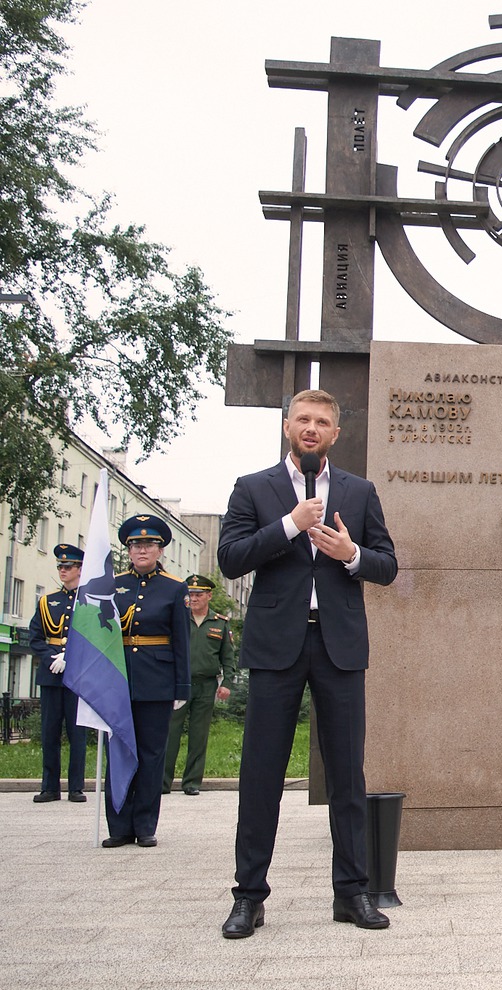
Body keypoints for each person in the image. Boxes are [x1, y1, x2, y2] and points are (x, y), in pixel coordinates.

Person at [218, 388, 399, 938]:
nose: (312, 428)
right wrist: (290, 525)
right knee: (261, 775)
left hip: (339, 646)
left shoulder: (359, 491)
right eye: (304, 419)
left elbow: (388, 565)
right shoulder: (254, 488)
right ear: (287, 427)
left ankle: (352, 895)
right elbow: (230, 559)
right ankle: (249, 897)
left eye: (323, 421)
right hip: (277, 647)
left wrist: (353, 557)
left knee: (347, 776)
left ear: (335, 433)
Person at [104, 515, 191, 848]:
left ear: (159, 549)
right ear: (128, 549)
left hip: (157, 680)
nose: (143, 550)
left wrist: (181, 687)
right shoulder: (112, 585)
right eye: (137, 545)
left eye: (149, 545)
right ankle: (119, 826)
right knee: (120, 752)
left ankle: (144, 825)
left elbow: (181, 640)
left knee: (152, 754)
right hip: (118, 680)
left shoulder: (174, 587)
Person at [163, 574, 236, 795]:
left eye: (199, 594)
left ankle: (192, 782)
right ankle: (162, 782)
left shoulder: (219, 623)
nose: (193, 598)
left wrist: (227, 683)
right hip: (179, 684)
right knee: (170, 733)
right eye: (190, 594)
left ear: (209, 596)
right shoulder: (177, 619)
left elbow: (228, 657)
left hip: (206, 685)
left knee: (199, 734)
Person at [28, 543, 89, 803]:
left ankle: (76, 786)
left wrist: (71, 657)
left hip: (77, 677)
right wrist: (50, 657)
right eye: (60, 567)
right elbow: (35, 637)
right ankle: (49, 786)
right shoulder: (47, 601)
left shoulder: (89, 601)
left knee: (77, 733)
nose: (63, 571)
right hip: (51, 675)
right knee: (50, 732)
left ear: (80, 569)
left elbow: (93, 639)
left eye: (68, 566)